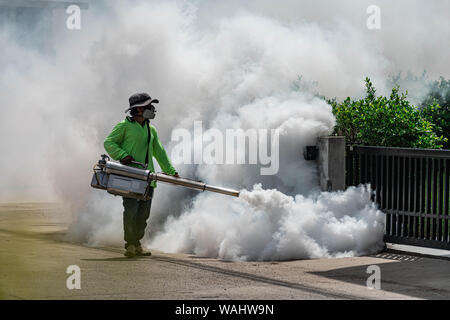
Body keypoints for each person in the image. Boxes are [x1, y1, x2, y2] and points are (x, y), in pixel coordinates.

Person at [104, 93, 178, 258]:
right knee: (130, 211)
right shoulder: (123, 126)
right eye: (147, 106)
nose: (152, 109)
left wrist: (171, 171)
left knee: (143, 214)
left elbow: (159, 152)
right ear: (137, 109)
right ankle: (130, 244)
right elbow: (109, 142)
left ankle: (137, 243)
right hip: (130, 176)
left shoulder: (151, 129)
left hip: (148, 178)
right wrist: (122, 154)